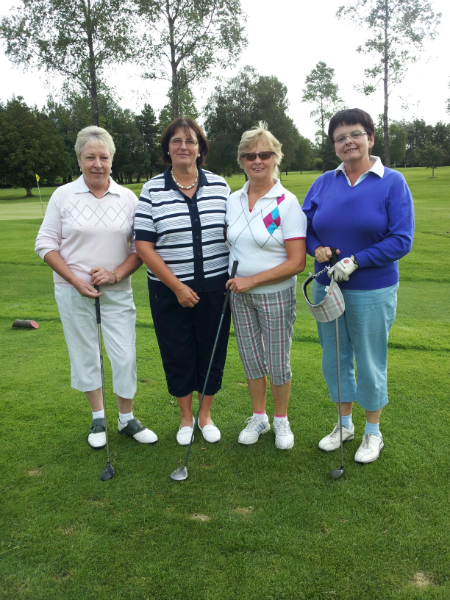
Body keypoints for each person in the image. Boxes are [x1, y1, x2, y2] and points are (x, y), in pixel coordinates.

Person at [302, 108, 414, 464]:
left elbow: (401, 239)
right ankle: (344, 424)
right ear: (334, 145)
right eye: (340, 137)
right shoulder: (324, 182)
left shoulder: (392, 182)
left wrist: (357, 260)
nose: (348, 141)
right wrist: (315, 248)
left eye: (355, 134)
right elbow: (305, 227)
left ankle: (372, 432)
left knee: (368, 358)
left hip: (372, 288)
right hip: (327, 287)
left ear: (370, 138)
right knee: (335, 357)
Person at [35, 126, 158, 449]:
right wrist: (75, 280)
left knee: (124, 355)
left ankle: (126, 418)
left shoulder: (128, 198)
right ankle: (98, 418)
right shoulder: (63, 195)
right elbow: (45, 244)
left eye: (103, 157)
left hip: (117, 290)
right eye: (90, 157)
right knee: (85, 354)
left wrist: (115, 275)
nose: (97, 164)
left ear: (112, 160)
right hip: (72, 290)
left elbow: (140, 248)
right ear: (79, 160)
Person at [134, 118, 231, 446]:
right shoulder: (152, 189)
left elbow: (234, 232)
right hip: (168, 291)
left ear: (200, 148)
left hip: (215, 288)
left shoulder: (219, 186)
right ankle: (186, 418)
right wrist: (177, 286)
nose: (183, 146)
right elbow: (143, 245)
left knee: (211, 352)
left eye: (190, 141)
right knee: (177, 354)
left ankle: (205, 416)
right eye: (176, 141)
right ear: (167, 148)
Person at [225, 122, 307, 450]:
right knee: (250, 358)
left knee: (277, 360)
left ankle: (281, 419)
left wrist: (252, 280)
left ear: (276, 158)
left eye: (264, 154)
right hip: (239, 295)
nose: (257, 160)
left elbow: (297, 262)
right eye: (250, 155)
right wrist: (240, 281)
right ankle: (259, 416)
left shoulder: (287, 202)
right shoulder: (233, 199)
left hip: (275, 294)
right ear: (241, 160)